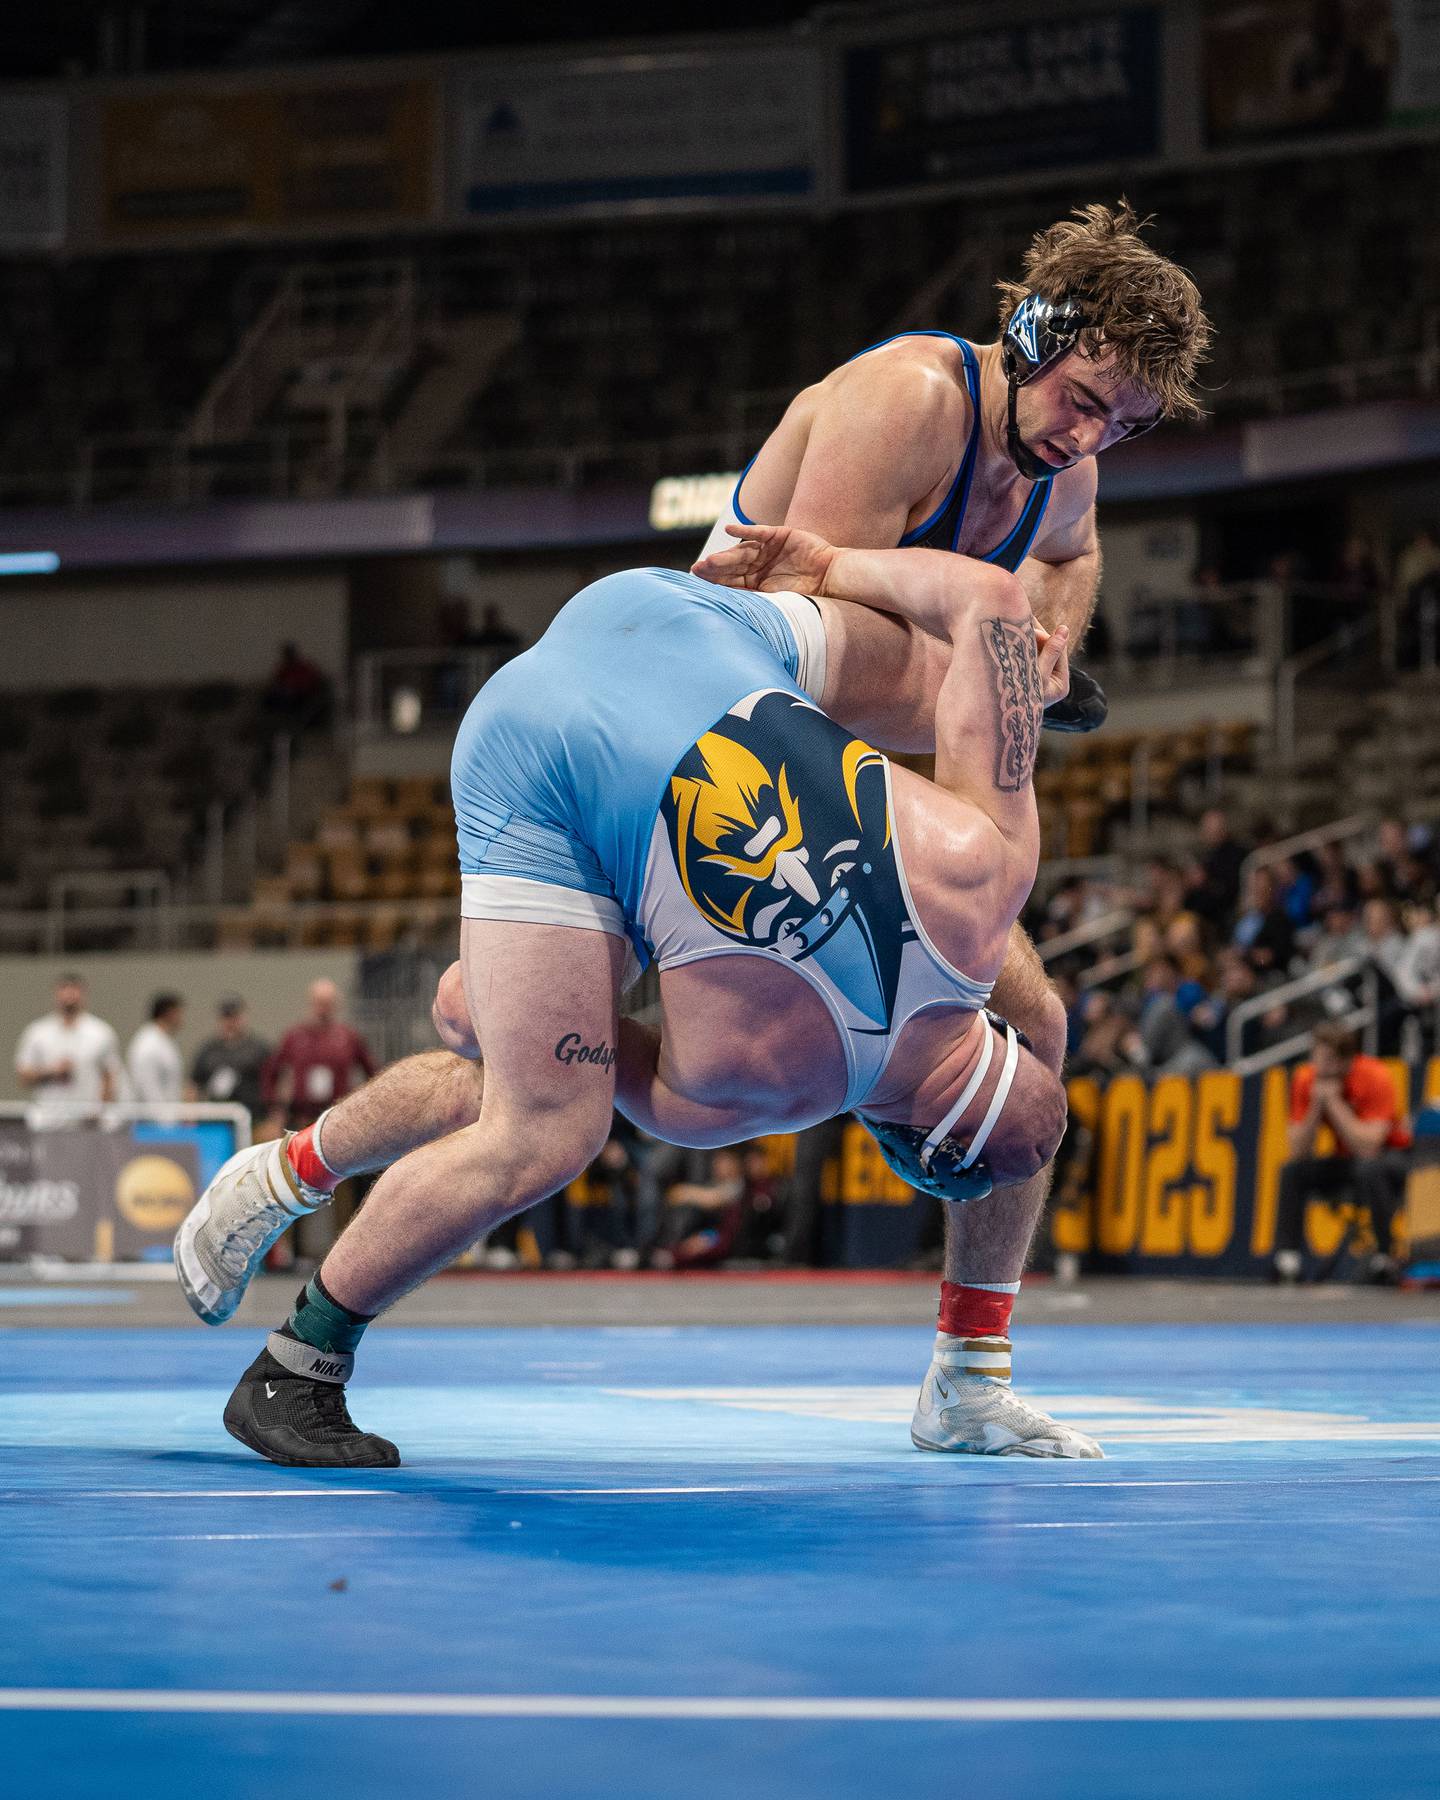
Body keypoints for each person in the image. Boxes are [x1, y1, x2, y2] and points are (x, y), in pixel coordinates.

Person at [176, 533, 1095, 1466]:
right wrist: (492, 1011)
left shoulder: (992, 871)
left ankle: (289, 1174)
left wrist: (830, 568)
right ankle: (297, 1366)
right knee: (543, 1125)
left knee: (974, 669)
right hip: (532, 744)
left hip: (661, 613)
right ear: (903, 1151)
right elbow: (497, 1028)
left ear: (997, 1032)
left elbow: (993, 595)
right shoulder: (747, 1093)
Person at [696, 199, 1211, 1346]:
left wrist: (1054, 637)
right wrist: (993, 670)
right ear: (1030, 334)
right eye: (1083, 401)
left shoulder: (1059, 454)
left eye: (1121, 428)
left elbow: (1071, 552)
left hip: (846, 758)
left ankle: (972, 1368)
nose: (1086, 440)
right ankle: (303, 1173)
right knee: (587, 1078)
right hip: (727, 733)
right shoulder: (913, 402)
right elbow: (809, 638)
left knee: (1041, 1029)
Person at [1273, 1023, 1412, 1284]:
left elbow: (1370, 1146)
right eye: (1315, 1058)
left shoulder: (1374, 1075)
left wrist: (1335, 1104)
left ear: (1344, 1060)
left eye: (1325, 1060)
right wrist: (1316, 1105)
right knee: (1292, 1172)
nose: (1317, 1067)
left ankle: (1384, 1254)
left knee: (1370, 1167)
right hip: (1349, 1160)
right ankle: (1287, 1259)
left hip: (1393, 1157)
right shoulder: (1307, 1079)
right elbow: (1297, 1151)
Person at [263, 981, 377, 1135]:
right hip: (301, 1118)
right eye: (319, 1003)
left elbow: (373, 1073)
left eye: (328, 1003)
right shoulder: (294, 1036)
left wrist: (365, 1108)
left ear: (336, 1005)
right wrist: (275, 1111)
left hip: (338, 1118)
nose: (323, 1009)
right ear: (311, 1003)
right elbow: (271, 1072)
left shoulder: (348, 1037)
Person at [14, 974, 123, 1110]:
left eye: (75, 989)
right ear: (56, 993)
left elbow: (110, 1075)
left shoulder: (101, 1033)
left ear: (83, 994)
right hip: (47, 1119)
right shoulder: (37, 1032)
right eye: (64, 988)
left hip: (87, 1121)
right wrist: (51, 1072)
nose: (69, 994)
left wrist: (100, 1110)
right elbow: (23, 1077)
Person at [190, 997, 272, 1122]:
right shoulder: (208, 1050)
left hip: (252, 1118)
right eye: (227, 1017)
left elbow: (273, 1083)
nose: (231, 1022)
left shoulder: (258, 1048)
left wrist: (272, 1119)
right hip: (216, 1118)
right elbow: (194, 1084)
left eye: (235, 1017)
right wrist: (192, 1115)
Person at [126, 993, 186, 1105]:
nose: (181, 1018)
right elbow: (147, 1088)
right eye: (179, 1013)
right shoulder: (148, 1044)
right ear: (169, 1013)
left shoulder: (166, 1041)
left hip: (168, 1116)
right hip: (153, 1119)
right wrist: (162, 1119)